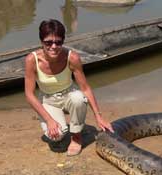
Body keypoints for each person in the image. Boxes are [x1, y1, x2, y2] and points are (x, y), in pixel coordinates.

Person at [25, 19, 113, 155]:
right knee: (57, 135)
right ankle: (57, 121)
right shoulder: (32, 60)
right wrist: (49, 120)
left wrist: (98, 116)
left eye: (58, 42)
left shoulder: (72, 58)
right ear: (41, 41)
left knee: (78, 98)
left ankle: (77, 137)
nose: (53, 46)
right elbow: (29, 94)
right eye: (48, 42)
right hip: (48, 99)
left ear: (63, 41)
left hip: (69, 95)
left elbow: (85, 88)